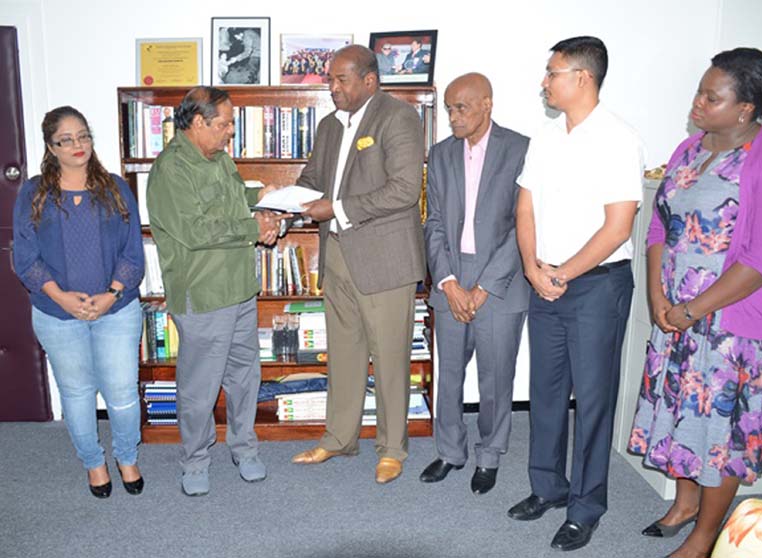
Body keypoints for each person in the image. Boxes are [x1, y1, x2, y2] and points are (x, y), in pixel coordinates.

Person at [628, 48, 762, 558]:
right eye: (700, 91)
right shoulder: (688, 149)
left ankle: (704, 537)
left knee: (719, 432)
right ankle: (684, 504)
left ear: (745, 109)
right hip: (676, 313)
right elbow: (660, 226)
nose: (697, 102)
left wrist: (692, 310)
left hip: (732, 325)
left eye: (711, 96)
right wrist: (660, 295)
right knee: (680, 414)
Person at [508, 36, 644, 552]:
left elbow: (617, 228)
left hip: (595, 287)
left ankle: (586, 508)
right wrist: (531, 266)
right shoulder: (546, 136)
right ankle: (548, 487)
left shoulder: (618, 138)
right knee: (544, 393)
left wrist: (561, 272)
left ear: (582, 78)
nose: (544, 82)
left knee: (592, 402)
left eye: (552, 72)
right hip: (545, 279)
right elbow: (526, 208)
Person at [289, 44, 425, 485]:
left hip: (385, 260)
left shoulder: (399, 117)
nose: (331, 87)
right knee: (343, 355)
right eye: (329, 79)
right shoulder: (329, 126)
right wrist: (283, 203)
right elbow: (313, 179)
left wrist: (337, 208)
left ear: (369, 80)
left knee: (389, 358)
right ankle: (339, 437)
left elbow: (404, 190)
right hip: (338, 258)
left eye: (340, 79)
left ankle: (391, 448)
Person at [146, 86, 284, 496]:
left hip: (240, 289)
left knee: (245, 376)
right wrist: (252, 227)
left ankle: (244, 448)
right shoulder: (171, 169)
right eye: (223, 124)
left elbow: (230, 200)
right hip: (203, 295)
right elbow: (194, 230)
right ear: (198, 122)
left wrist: (259, 198)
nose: (230, 132)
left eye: (231, 124)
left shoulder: (220, 160)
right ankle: (195, 460)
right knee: (199, 385)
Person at [13, 106, 145, 498]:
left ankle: (126, 457)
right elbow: (25, 257)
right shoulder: (33, 192)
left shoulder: (116, 188)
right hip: (57, 313)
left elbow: (132, 253)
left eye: (83, 136)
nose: (77, 145)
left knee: (122, 391)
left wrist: (111, 295)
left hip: (116, 310)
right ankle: (94, 463)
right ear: (50, 147)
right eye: (66, 139)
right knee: (76, 393)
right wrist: (61, 297)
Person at [420, 73, 529, 494]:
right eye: (448, 108)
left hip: (500, 280)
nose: (452, 116)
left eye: (461, 107)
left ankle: (489, 455)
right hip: (451, 275)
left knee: (495, 377)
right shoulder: (441, 153)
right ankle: (450, 452)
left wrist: (483, 286)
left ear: (487, 103)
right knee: (448, 375)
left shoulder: (520, 149)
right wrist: (447, 281)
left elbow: (523, 224)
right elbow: (432, 224)